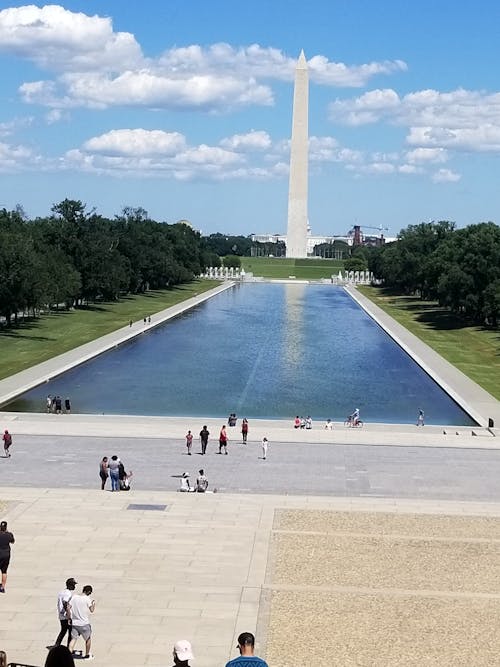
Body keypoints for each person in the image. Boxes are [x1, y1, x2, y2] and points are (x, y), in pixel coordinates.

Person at [68, 585, 95, 660]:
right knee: (88, 639)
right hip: (84, 623)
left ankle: (69, 656)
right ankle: (87, 655)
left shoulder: (74, 597)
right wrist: (93, 604)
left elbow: (68, 607)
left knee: (73, 639)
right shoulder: (87, 599)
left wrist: (69, 617)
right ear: (89, 592)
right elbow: (92, 610)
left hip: (75, 623)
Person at [54, 577, 77, 647]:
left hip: (61, 616)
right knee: (71, 632)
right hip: (66, 616)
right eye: (73, 585)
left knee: (63, 631)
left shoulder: (62, 592)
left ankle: (56, 645)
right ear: (70, 585)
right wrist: (69, 615)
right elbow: (65, 603)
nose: (74, 586)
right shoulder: (68, 593)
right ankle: (69, 648)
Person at [0, 521, 15, 593]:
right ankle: (2, 587)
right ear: (6, 527)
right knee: (4, 571)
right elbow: (12, 541)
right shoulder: (9, 535)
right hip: (6, 555)